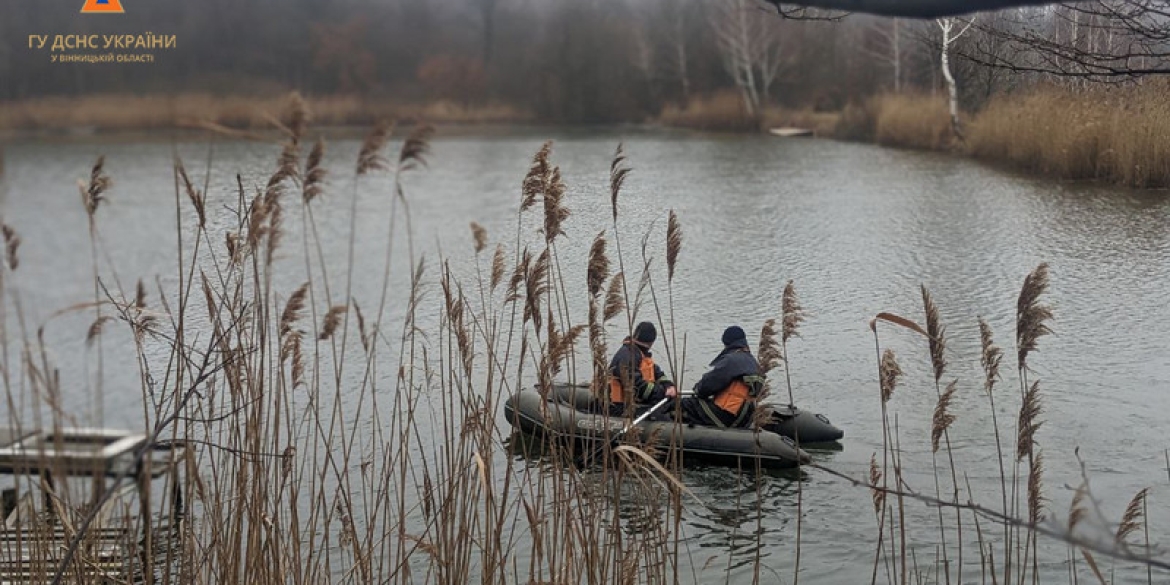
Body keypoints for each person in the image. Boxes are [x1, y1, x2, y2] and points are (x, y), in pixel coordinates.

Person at [680, 325, 764, 428]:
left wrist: (697, 389)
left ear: (727, 343)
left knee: (684, 404)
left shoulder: (732, 360)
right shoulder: (754, 363)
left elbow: (708, 385)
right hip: (745, 418)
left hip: (727, 414)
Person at [607, 321, 676, 416]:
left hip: (637, 403)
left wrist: (668, 385)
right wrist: (663, 391)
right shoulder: (627, 356)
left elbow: (657, 373)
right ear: (651, 342)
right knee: (663, 418)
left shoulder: (640, 353)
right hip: (620, 406)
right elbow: (637, 387)